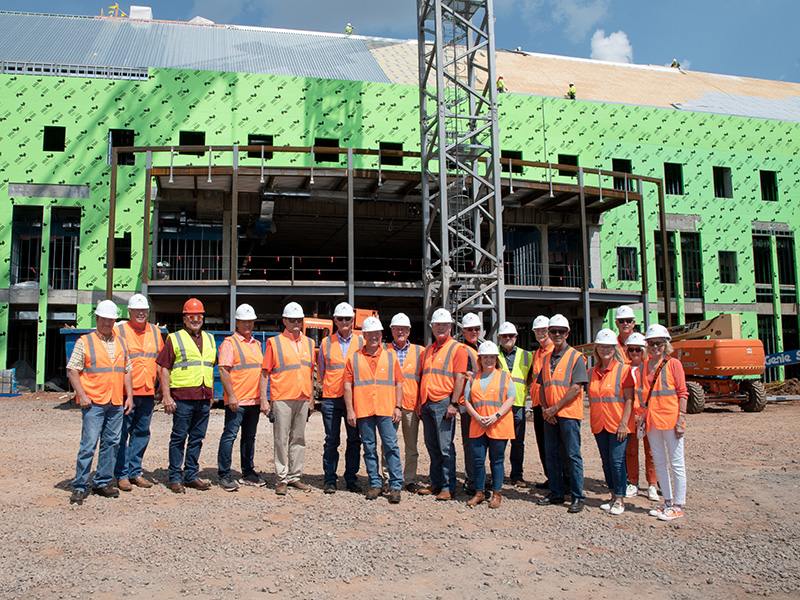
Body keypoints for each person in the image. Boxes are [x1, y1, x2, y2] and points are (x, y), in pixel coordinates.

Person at [68, 300, 133, 505]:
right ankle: (79, 485)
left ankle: (102, 482)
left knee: (111, 443)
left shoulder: (121, 342)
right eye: (103, 319)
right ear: (97, 319)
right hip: (93, 402)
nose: (107, 323)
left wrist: (129, 396)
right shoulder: (84, 342)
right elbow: (72, 370)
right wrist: (82, 395)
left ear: (115, 320)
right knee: (88, 445)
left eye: (110, 319)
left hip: (115, 402)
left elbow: (127, 371)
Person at [157, 298, 216, 494]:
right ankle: (175, 477)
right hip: (182, 398)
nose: (196, 320)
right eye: (192, 316)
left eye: (199, 316)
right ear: (184, 319)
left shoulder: (210, 339)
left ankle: (191, 475)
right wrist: (167, 396)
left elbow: (208, 368)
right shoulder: (174, 338)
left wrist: (211, 395)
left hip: (203, 397)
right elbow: (164, 369)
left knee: (197, 438)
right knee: (179, 438)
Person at [344, 316, 404, 503]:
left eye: (377, 334)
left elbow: (399, 383)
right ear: (364, 336)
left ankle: (395, 486)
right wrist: (350, 410)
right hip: (364, 410)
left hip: (386, 409)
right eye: (370, 334)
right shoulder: (354, 358)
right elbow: (347, 386)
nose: (374, 337)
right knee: (369, 448)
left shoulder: (390, 356)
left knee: (391, 447)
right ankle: (375, 483)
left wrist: (398, 407)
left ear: (381, 335)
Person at [261, 302, 316, 495]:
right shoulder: (274, 343)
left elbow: (310, 372)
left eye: (298, 320)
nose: (295, 323)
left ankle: (295, 477)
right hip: (282, 397)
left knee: (299, 439)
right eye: (292, 319)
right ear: (284, 321)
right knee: (281, 439)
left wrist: (311, 398)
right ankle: (281, 479)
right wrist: (264, 399)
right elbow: (265, 372)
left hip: (302, 398)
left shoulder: (309, 343)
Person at [536, 314, 589, 513]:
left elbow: (576, 388)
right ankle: (556, 492)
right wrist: (544, 409)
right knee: (552, 455)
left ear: (567, 333)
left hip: (568, 414)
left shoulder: (576, 357)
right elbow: (542, 386)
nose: (557, 334)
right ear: (549, 333)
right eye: (553, 331)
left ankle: (577, 496)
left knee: (572, 455)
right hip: (550, 415)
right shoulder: (547, 357)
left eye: (561, 331)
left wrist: (554, 408)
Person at [418, 308, 469, 501]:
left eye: (444, 325)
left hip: (443, 402)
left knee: (445, 447)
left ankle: (448, 486)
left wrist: (454, 404)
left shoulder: (457, 349)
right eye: (437, 325)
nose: (441, 328)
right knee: (432, 445)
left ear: (450, 327)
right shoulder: (429, 350)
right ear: (431, 327)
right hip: (427, 402)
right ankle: (436, 483)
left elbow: (459, 378)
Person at [113, 293, 163, 492]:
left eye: (144, 311)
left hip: (147, 392)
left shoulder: (155, 331)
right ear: (129, 312)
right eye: (137, 311)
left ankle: (135, 472)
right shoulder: (120, 331)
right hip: (126, 393)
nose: (141, 314)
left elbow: (159, 361)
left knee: (141, 433)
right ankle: (122, 474)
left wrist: (161, 386)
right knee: (122, 433)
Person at [641, 324, 688, 521]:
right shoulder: (645, 365)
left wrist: (681, 420)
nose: (655, 346)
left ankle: (678, 504)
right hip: (653, 421)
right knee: (659, 463)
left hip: (671, 420)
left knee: (677, 463)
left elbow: (682, 392)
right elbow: (643, 395)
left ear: (666, 344)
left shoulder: (674, 364)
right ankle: (667, 501)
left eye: (659, 343)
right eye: (652, 343)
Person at [216, 304, 266, 491]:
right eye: (244, 321)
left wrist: (262, 398)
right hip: (238, 401)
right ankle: (224, 474)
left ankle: (248, 472)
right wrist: (232, 397)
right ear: (236, 322)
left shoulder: (257, 344)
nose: (247, 325)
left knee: (249, 438)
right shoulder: (230, 343)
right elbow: (223, 370)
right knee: (229, 436)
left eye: (250, 321)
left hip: (253, 400)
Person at [589, 329, 635, 515]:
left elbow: (630, 399)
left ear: (614, 349)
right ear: (597, 349)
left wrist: (624, 423)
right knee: (606, 462)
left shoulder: (624, 370)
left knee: (617, 461)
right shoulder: (592, 371)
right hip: (600, 424)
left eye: (608, 347)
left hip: (618, 425)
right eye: (601, 346)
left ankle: (620, 498)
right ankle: (612, 494)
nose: (605, 350)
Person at [464, 341, 515, 509]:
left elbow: (511, 398)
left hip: (498, 424)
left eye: (492, 357)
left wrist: (496, 415)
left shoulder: (504, 376)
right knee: (478, 460)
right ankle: (479, 493)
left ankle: (496, 494)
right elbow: (467, 401)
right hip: (478, 425)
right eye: (485, 357)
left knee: (497, 460)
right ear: (480, 359)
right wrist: (477, 417)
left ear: (496, 359)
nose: (488, 360)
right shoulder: (473, 377)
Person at [319, 302, 362, 494]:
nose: (344, 322)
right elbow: (321, 371)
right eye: (340, 319)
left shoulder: (361, 341)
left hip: (355, 399)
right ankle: (330, 479)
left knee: (354, 440)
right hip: (332, 398)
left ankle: (351, 478)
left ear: (353, 320)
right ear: (334, 320)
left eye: (348, 319)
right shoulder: (326, 342)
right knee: (331, 440)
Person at [385, 312, 423, 492]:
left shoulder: (420, 351)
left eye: (403, 329)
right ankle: (388, 478)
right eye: (397, 329)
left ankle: (409, 480)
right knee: (388, 444)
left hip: (410, 404)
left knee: (411, 446)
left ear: (409, 331)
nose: (400, 332)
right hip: (389, 404)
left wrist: (421, 402)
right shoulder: (384, 350)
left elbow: (425, 379)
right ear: (391, 330)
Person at [624, 333, 660, 502]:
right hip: (631, 416)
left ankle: (652, 484)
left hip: (648, 416)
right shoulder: (624, 369)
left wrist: (644, 414)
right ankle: (633, 482)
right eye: (631, 349)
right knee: (630, 451)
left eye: (638, 349)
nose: (634, 352)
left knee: (651, 451)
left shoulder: (650, 369)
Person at [497, 321, 532, 486]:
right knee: (499, 441)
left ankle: (517, 475)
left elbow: (530, 377)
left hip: (518, 404)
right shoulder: (493, 354)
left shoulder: (527, 355)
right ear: (499, 338)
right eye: (504, 336)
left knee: (518, 442)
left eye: (511, 335)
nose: (508, 338)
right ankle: (498, 474)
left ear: (516, 337)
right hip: (499, 404)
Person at [529, 315, 553, 488]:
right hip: (538, 404)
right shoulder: (537, 353)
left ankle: (563, 480)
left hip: (551, 404)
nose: (541, 334)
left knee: (555, 445)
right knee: (543, 443)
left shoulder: (555, 351)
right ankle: (550, 477)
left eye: (544, 330)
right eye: (538, 331)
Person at [458, 312, 481, 494]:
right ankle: (471, 479)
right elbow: (463, 375)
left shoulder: (481, 348)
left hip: (483, 402)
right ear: (463, 331)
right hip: (467, 403)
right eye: (470, 329)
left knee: (480, 442)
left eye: (476, 329)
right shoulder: (462, 350)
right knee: (470, 441)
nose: (474, 332)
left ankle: (478, 477)